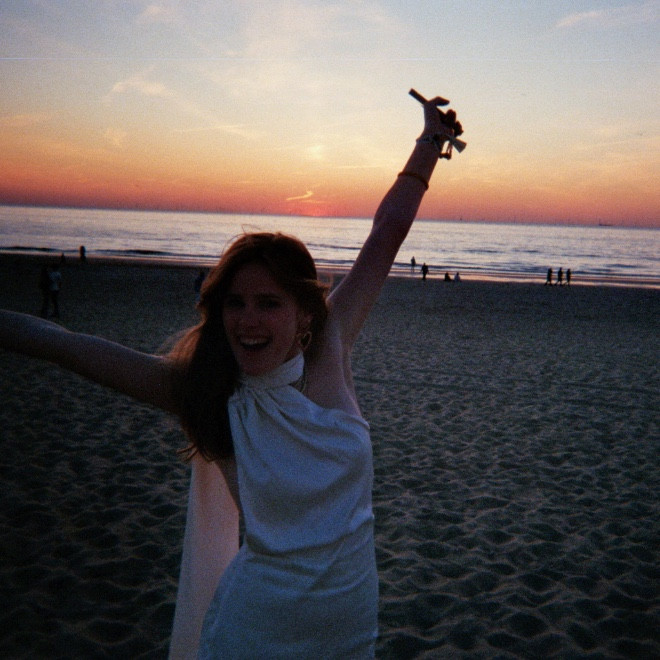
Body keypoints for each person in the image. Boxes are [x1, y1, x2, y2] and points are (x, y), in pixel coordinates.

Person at [0, 94, 459, 658]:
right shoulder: (209, 392)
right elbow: (66, 347)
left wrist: (430, 141)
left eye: (269, 303)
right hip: (254, 633)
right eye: (235, 303)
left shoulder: (329, 348)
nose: (248, 320)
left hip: (349, 632)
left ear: (303, 313)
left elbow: (386, 234)